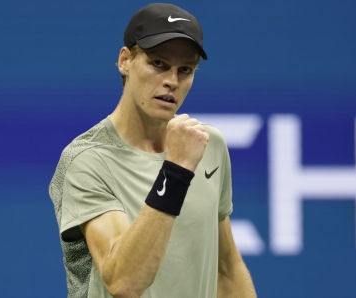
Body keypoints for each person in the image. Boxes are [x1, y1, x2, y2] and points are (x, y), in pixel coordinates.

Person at [49, 3, 257, 298]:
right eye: (158, 63)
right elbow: (124, 282)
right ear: (125, 60)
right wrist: (177, 169)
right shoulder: (87, 159)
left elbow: (226, 267)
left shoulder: (209, 145)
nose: (172, 80)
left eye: (185, 69)